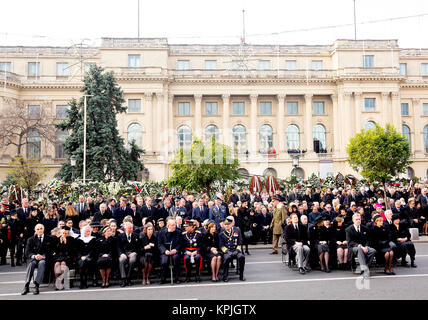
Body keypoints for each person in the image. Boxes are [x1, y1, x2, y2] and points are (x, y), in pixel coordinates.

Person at [21, 224, 50, 295]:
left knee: (42, 263)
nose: (40, 230)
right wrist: (34, 256)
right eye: (38, 229)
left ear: (44, 229)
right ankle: (26, 285)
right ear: (35, 230)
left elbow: (52, 251)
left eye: (41, 228)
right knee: (31, 264)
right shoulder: (30, 239)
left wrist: (43, 256)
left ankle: (37, 285)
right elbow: (27, 252)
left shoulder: (49, 238)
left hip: (44, 259)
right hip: (34, 259)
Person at [345, 213, 376, 278]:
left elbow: (368, 240)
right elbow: (350, 242)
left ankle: (366, 267)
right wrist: (360, 246)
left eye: (359, 219)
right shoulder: (348, 229)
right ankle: (365, 271)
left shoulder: (365, 228)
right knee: (359, 249)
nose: (358, 220)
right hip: (354, 248)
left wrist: (366, 247)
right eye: (356, 219)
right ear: (353, 220)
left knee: (373, 251)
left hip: (364, 247)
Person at [219, 217, 245, 282]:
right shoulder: (221, 234)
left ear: (231, 225)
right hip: (227, 251)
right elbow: (221, 246)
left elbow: (239, 242)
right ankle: (225, 275)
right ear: (224, 225)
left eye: (228, 224)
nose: (227, 226)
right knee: (227, 258)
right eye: (225, 225)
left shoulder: (237, 231)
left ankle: (241, 275)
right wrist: (227, 251)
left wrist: (237, 250)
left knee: (241, 257)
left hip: (236, 250)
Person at [158, 218, 182, 284]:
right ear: (168, 226)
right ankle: (163, 278)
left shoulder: (178, 232)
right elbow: (160, 244)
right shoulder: (161, 232)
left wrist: (176, 250)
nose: (174, 226)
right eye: (172, 225)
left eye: (175, 225)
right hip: (166, 251)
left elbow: (181, 243)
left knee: (175, 258)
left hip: (174, 251)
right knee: (164, 261)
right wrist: (165, 251)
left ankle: (177, 278)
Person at [117, 221, 139, 287]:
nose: (131, 229)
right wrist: (121, 254)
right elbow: (118, 247)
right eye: (129, 228)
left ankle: (129, 278)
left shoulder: (136, 235)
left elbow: (139, 246)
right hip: (124, 253)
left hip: (132, 253)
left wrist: (135, 252)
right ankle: (123, 279)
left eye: (132, 228)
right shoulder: (120, 236)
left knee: (132, 260)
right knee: (121, 260)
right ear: (125, 228)